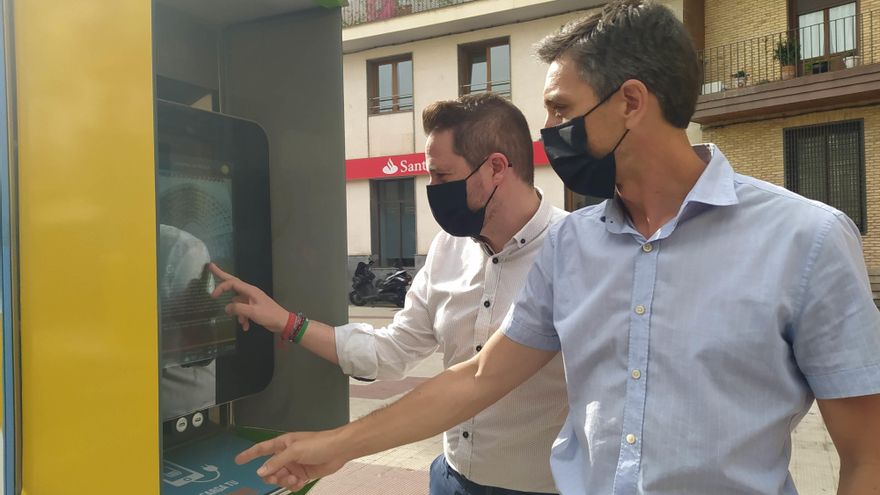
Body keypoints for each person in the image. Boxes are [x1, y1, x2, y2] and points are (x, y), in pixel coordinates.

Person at [231, 1, 880, 494]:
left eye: (560, 109)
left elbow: (865, 451)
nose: (546, 133)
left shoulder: (808, 241)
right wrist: (339, 444)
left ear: (630, 102)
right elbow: (478, 377)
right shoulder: (573, 245)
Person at [211, 92, 569, 494]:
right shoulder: (448, 248)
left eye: (442, 176)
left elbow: (480, 379)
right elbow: (393, 351)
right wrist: (286, 322)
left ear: (497, 168)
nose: (430, 189)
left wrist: (340, 443)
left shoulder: (572, 252)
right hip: (450, 479)